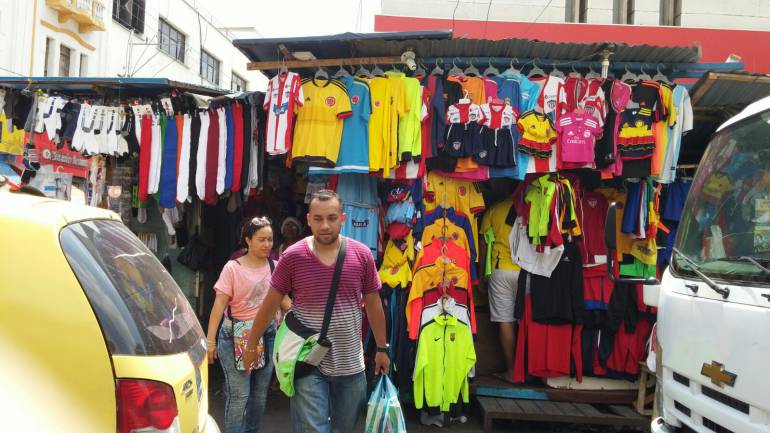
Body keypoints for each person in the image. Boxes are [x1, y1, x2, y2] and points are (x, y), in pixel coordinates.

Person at [242, 189, 389, 433]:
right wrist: (251, 346)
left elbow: (373, 304)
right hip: (306, 360)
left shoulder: (362, 255)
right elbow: (270, 303)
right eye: (318, 219)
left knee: (345, 429)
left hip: (350, 363)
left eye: (331, 218)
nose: (325, 225)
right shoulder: (293, 256)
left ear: (342, 218)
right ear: (308, 220)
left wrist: (382, 348)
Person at [206, 216, 289, 433]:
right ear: (248, 240)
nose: (267, 245)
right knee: (239, 394)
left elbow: (284, 301)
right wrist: (210, 341)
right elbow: (219, 306)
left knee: (260, 394)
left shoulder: (275, 266)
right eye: (261, 239)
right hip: (234, 335)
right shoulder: (232, 268)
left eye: (270, 240)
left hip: (268, 334)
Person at [480, 194, 520, 384]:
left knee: (506, 321)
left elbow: (484, 244)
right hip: (529, 271)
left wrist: (481, 274)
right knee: (527, 322)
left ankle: (511, 370)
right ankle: (527, 370)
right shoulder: (530, 205)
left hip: (501, 270)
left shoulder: (494, 210)